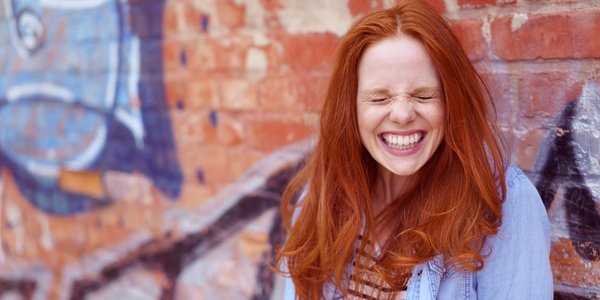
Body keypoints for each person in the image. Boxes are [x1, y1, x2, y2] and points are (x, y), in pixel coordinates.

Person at [275, 0, 553, 299]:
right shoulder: (320, 198)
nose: (402, 114)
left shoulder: (502, 204)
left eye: (423, 95)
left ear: (451, 102)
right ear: (351, 109)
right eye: (379, 98)